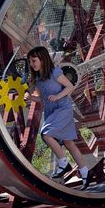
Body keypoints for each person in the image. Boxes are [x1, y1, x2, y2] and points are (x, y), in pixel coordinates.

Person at [24, 46, 90, 190]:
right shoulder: (38, 79)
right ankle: (85, 173)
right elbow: (44, 99)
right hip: (51, 111)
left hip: (63, 110)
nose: (32, 64)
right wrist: (31, 98)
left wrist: (58, 96)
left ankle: (63, 163)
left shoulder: (55, 72)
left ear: (43, 59)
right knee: (68, 143)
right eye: (30, 61)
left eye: (34, 60)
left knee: (46, 134)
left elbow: (70, 86)